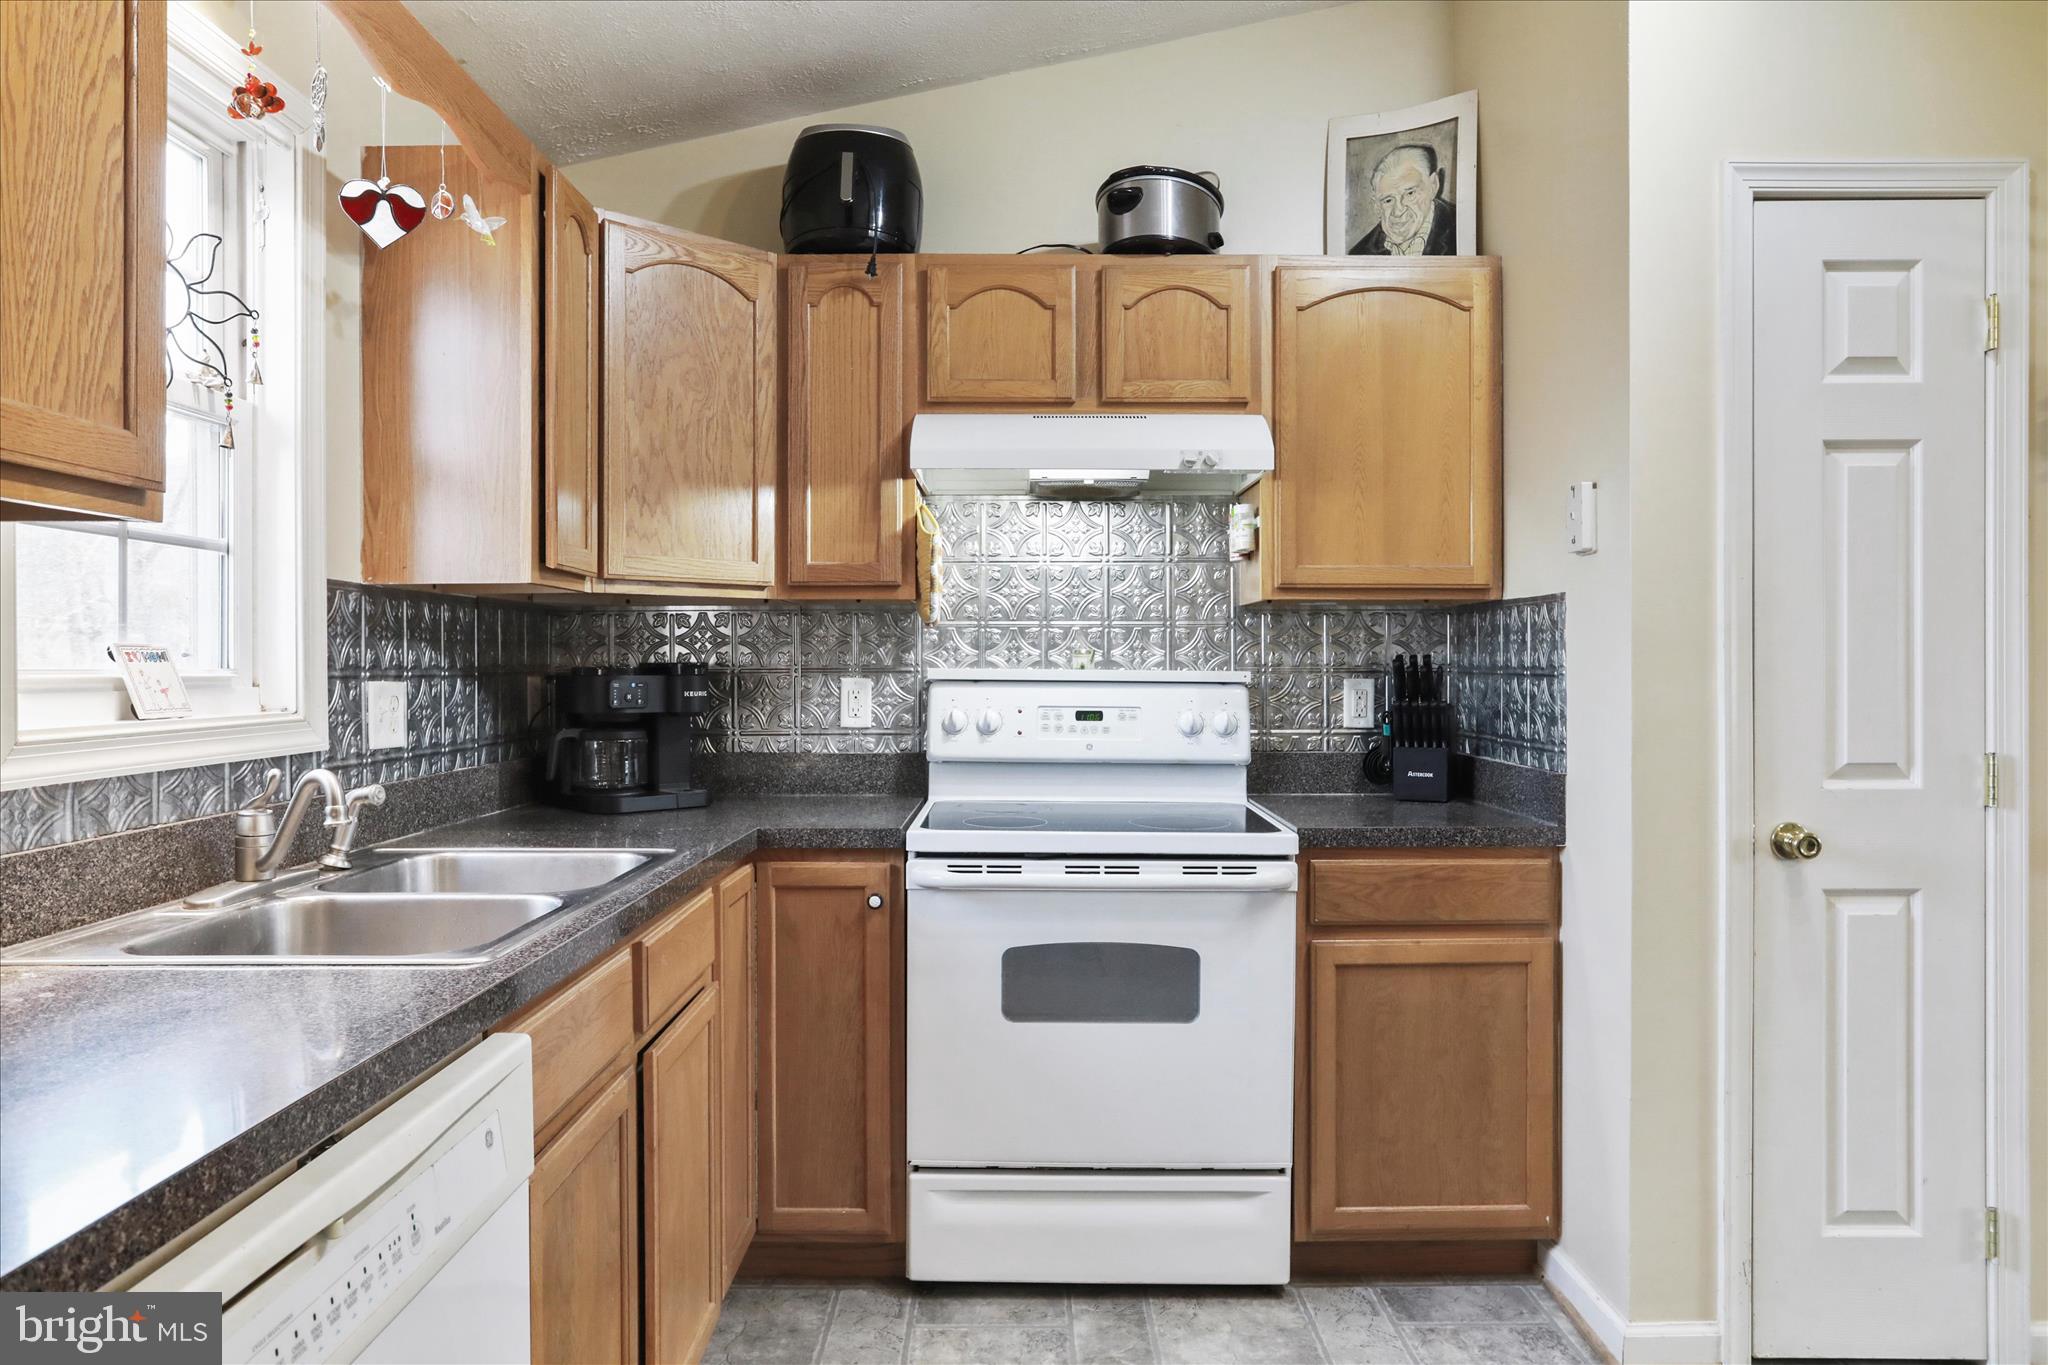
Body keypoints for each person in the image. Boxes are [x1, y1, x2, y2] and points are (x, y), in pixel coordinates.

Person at [1351, 143, 1457, 256]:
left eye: (1410, 193)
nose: (1398, 211)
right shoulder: (1359, 253)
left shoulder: (1462, 230)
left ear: (1433, 185)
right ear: (1377, 206)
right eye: (1388, 200)